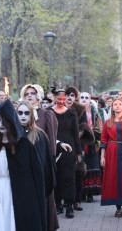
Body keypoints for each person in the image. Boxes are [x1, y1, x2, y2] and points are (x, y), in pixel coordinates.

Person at [0, 99, 46, 231]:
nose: (1, 124)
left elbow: (37, 179)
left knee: (12, 222)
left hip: (17, 195)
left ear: (11, 119)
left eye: (4, 119)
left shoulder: (24, 146)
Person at [19, 84, 59, 230]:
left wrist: (51, 161)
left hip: (41, 162)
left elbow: (52, 140)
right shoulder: (18, 113)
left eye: (33, 93)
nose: (30, 96)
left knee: (44, 197)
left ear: (39, 95)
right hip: (23, 165)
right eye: (27, 93)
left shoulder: (46, 114)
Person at [50, 88, 82, 219]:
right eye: (59, 99)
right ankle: (57, 204)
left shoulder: (71, 113)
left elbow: (75, 133)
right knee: (56, 176)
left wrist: (79, 152)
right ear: (55, 99)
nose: (62, 101)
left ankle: (69, 205)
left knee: (69, 177)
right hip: (53, 147)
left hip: (69, 147)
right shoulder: (49, 113)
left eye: (64, 99)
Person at [79, 92, 102, 205]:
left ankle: (90, 193)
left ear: (90, 100)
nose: (84, 99)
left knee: (92, 167)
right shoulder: (75, 112)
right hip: (79, 144)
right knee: (80, 168)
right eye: (81, 97)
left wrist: (92, 134)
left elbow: (99, 129)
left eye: (86, 98)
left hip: (92, 145)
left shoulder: (94, 113)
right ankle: (81, 192)